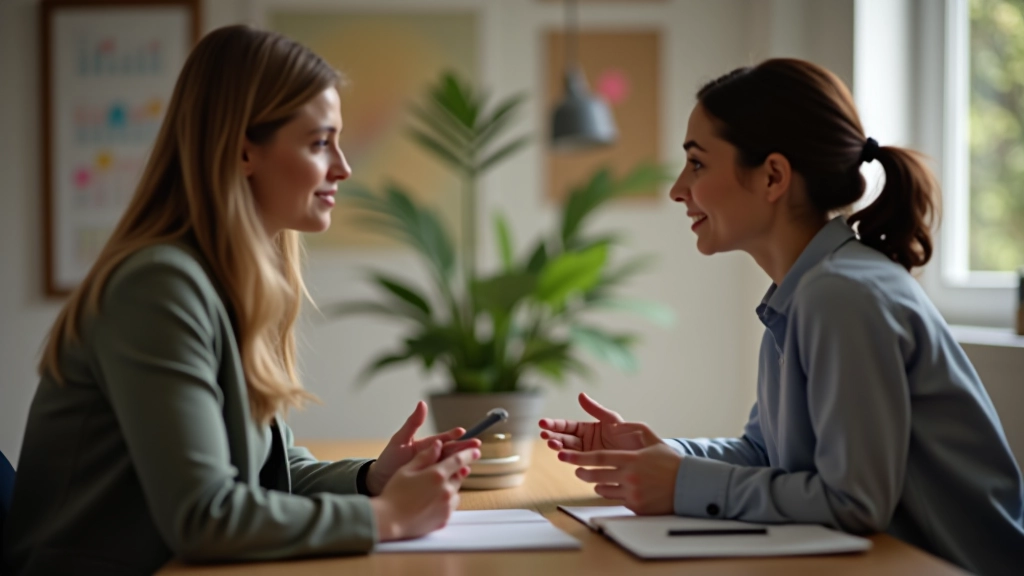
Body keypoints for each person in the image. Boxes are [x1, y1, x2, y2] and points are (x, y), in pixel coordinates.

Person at [1, 25, 481, 576]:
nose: (343, 167)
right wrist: (386, 518)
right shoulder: (158, 288)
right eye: (320, 142)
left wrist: (371, 480)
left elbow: (265, 472)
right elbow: (204, 517)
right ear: (243, 150)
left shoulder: (223, 280)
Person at [539, 58, 1024, 576]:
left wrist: (680, 483)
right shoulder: (806, 290)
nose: (678, 189)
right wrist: (664, 454)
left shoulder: (843, 296)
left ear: (773, 176)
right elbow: (765, 452)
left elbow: (853, 504)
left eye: (697, 163)